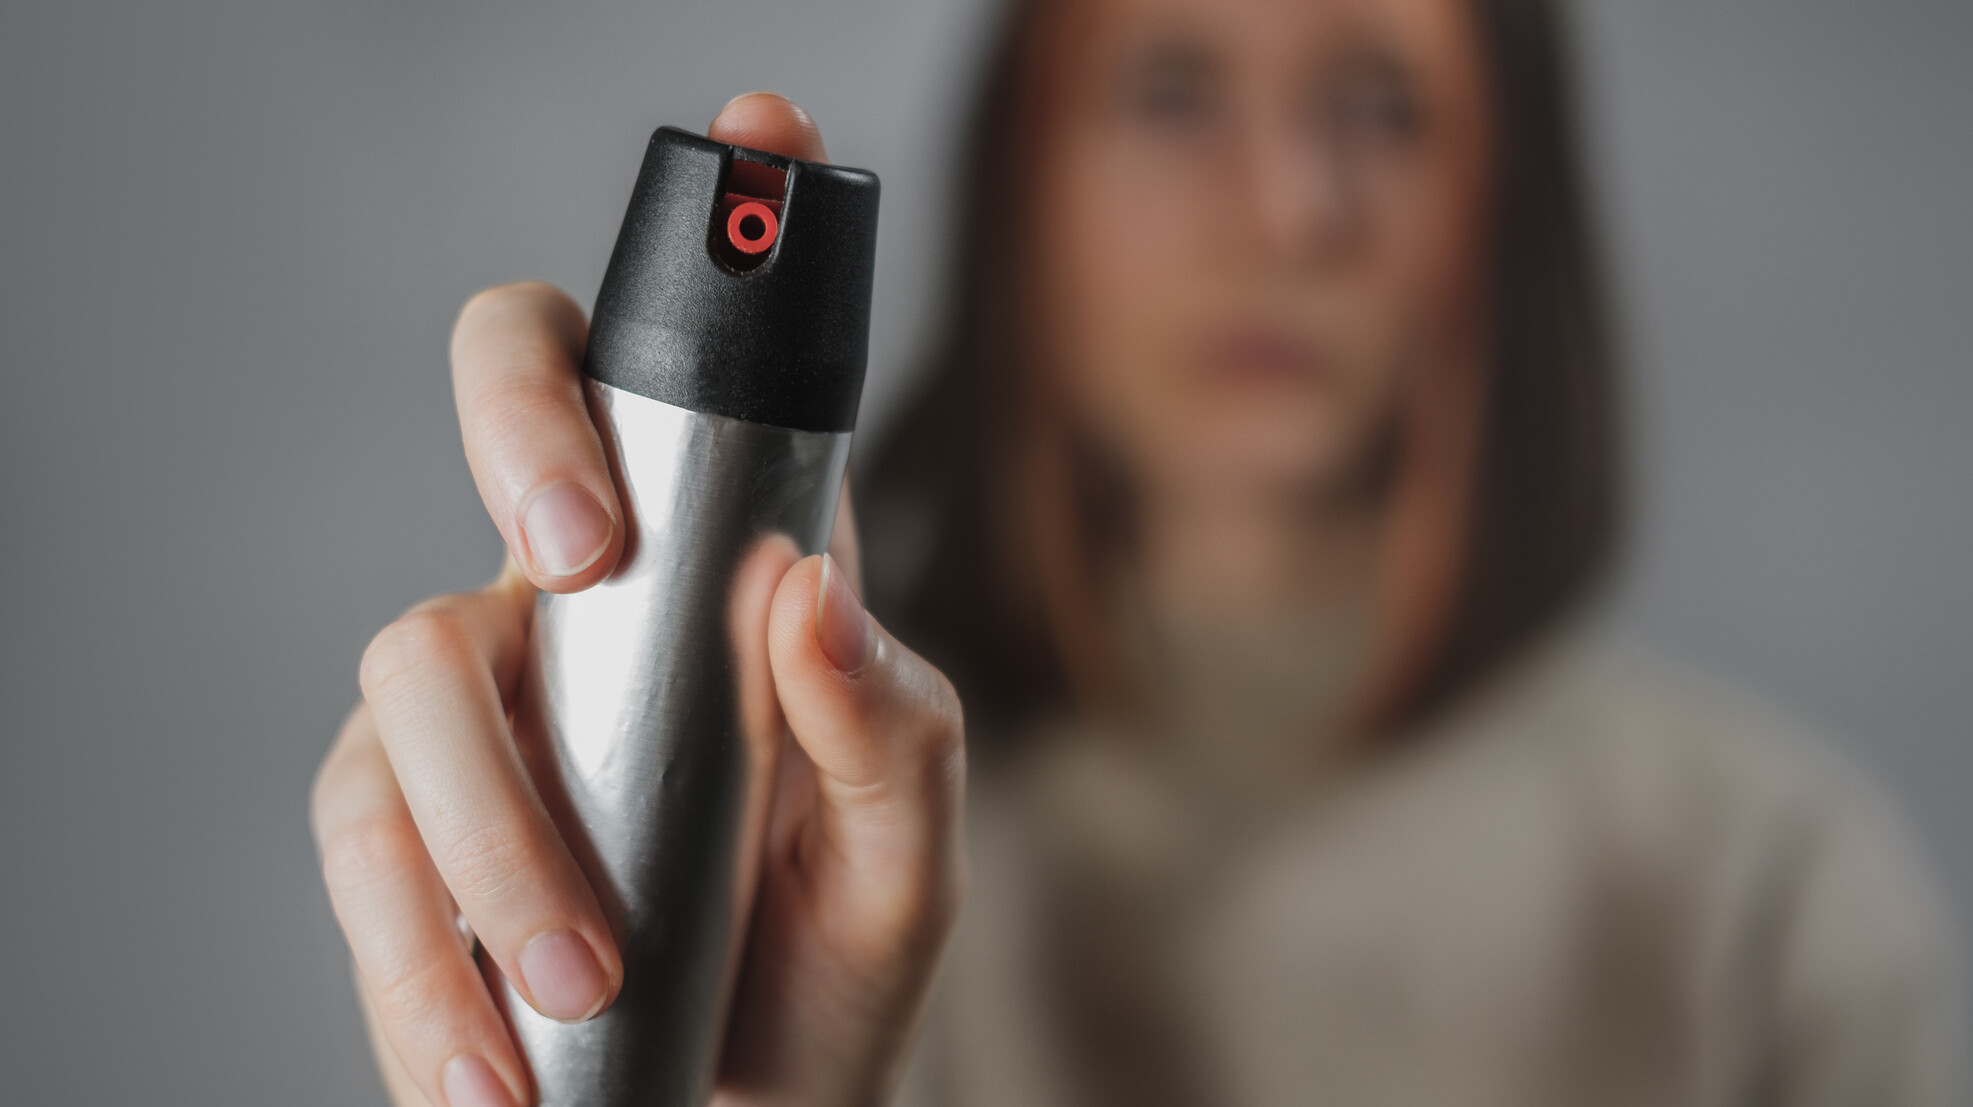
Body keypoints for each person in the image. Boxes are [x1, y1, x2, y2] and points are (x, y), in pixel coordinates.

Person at [311, 0, 1963, 1103]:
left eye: (1381, 105)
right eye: (1174, 90)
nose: (1286, 209)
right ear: (1022, 182)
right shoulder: (798, 857)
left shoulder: (1768, 893)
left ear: (1500, 203)